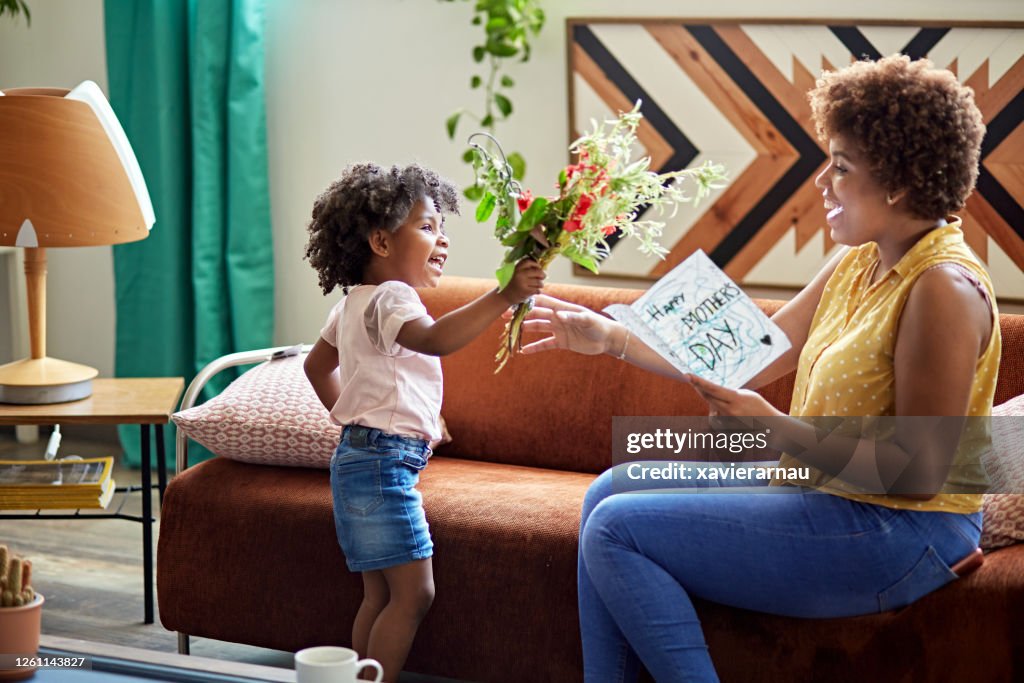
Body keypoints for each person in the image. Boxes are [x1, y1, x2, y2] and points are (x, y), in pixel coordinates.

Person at [518, 54, 1000, 681]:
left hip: (904, 530)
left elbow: (918, 472)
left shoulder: (942, 288)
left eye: (842, 167)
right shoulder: (863, 259)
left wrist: (775, 433)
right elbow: (757, 349)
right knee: (609, 490)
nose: (823, 181)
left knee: (616, 528)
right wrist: (610, 338)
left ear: (899, 184)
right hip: (830, 495)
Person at [302, 162, 544, 681]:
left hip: (357, 459)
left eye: (442, 227)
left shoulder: (351, 305)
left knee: (378, 594)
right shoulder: (394, 297)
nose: (443, 239)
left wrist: (356, 421)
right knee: (415, 594)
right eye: (428, 226)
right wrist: (504, 295)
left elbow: (316, 366)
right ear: (381, 243)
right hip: (384, 466)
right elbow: (433, 341)